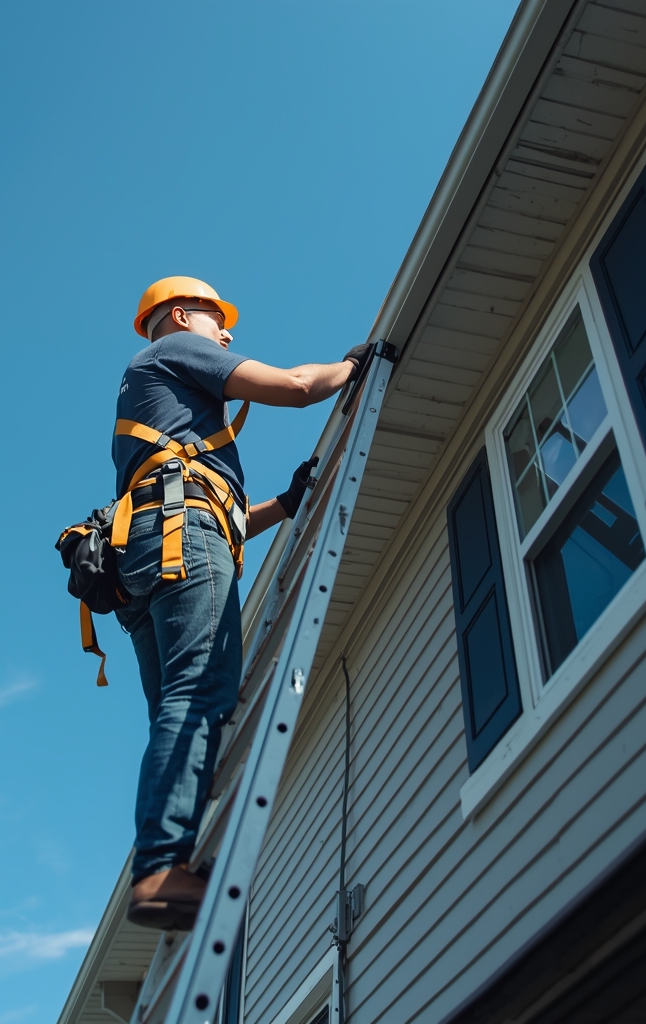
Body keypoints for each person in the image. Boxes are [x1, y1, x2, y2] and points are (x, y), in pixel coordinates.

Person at [114, 276, 371, 931]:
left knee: (180, 705)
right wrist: (348, 366)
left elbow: (211, 511)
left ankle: (162, 865)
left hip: (150, 551)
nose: (225, 333)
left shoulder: (159, 398)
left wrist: (283, 507)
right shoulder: (174, 351)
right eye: (215, 319)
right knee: (199, 697)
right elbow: (295, 388)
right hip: (181, 538)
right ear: (179, 314)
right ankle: (164, 863)